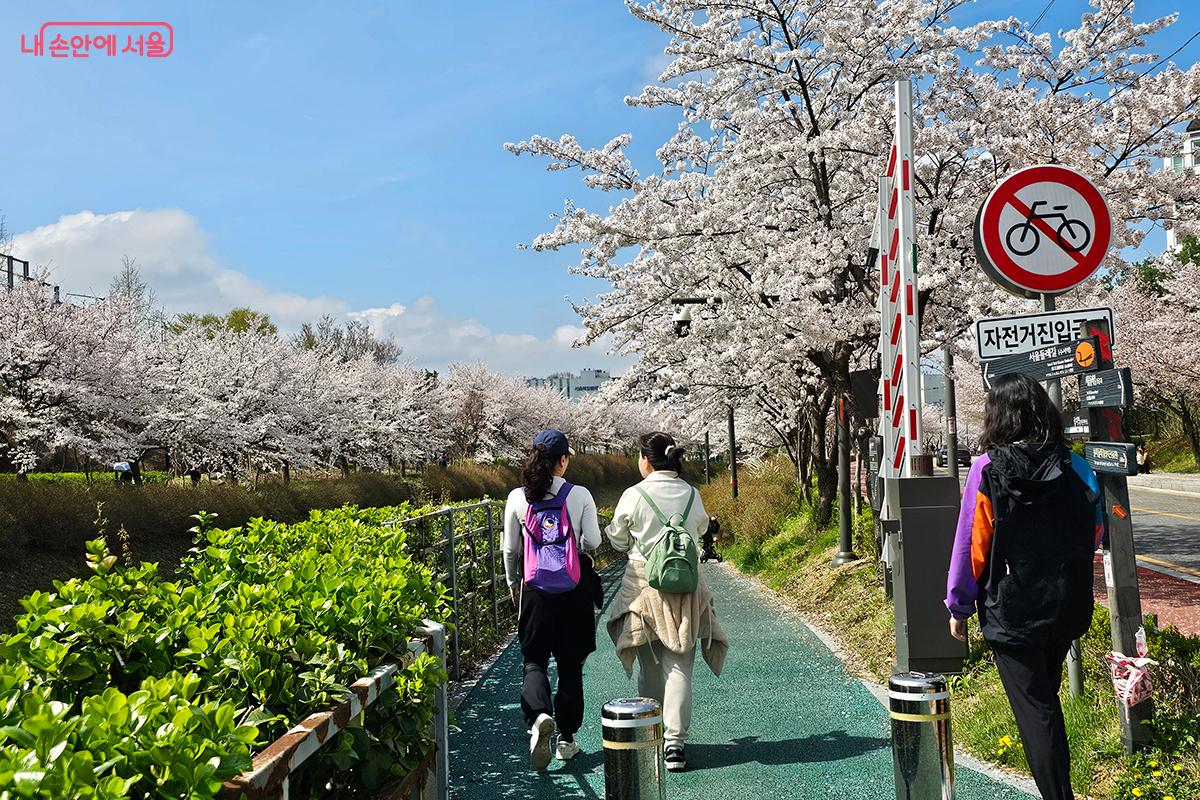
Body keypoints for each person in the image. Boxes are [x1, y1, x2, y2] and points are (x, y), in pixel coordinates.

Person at [945, 374, 1103, 800]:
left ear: (998, 417)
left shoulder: (987, 470)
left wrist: (958, 606)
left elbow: (970, 546)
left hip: (1011, 610)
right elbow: (1095, 532)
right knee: (1043, 705)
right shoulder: (1077, 466)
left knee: (1038, 712)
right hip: (1065, 604)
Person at [606, 432, 729, 773]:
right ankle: (676, 743)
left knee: (649, 665)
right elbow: (702, 528)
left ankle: (651, 731)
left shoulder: (634, 494)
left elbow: (616, 540)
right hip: (686, 587)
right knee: (680, 665)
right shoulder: (692, 494)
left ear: (645, 460)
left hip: (643, 585)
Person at [502, 429, 601, 770]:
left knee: (534, 661)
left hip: (534, 592)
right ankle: (566, 740)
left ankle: (539, 717)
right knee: (571, 666)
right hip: (573, 591)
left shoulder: (518, 497)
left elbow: (511, 549)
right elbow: (594, 540)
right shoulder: (580, 494)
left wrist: (514, 584)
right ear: (563, 460)